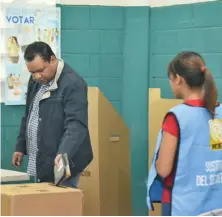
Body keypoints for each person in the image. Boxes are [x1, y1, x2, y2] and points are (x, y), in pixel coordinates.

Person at [147, 51, 222, 216]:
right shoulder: (217, 112)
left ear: (178, 79)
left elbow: (164, 169)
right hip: (215, 203)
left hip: (183, 205)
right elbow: (214, 151)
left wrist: (157, 161)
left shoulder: (177, 117)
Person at [12, 41, 93, 188]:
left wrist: (64, 153)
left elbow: (76, 125)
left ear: (52, 60)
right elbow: (30, 113)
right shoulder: (36, 80)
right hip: (40, 159)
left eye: (40, 70)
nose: (36, 76)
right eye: (32, 72)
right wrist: (20, 145)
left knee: (59, 208)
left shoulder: (73, 83)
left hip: (62, 161)